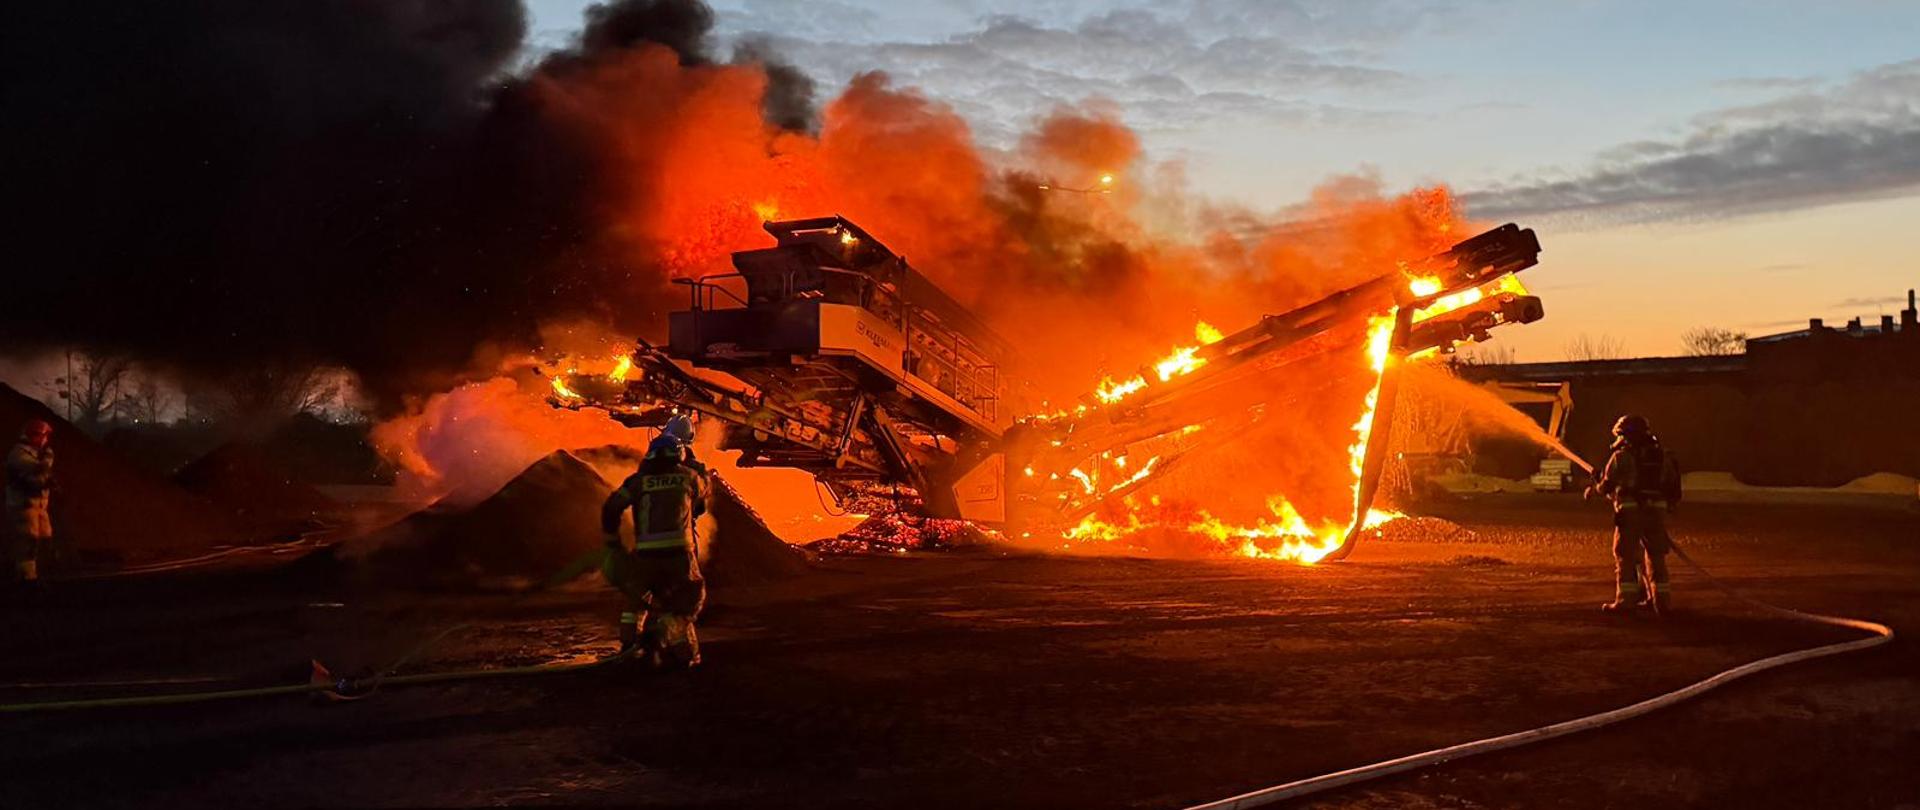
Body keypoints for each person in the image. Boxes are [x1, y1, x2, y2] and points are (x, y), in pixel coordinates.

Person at [600, 426, 708, 668]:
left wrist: (612, 541)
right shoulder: (688, 477)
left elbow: (611, 508)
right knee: (686, 601)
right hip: (680, 557)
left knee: (635, 601)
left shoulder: (638, 482)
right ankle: (683, 654)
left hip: (646, 557)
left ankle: (629, 648)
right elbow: (701, 501)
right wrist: (695, 464)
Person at [1587, 414, 1682, 616]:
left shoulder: (1621, 457)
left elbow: (1606, 487)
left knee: (1625, 555)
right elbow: (1672, 486)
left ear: (1625, 435)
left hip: (1630, 513)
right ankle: (1660, 602)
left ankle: (1625, 601)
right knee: (1656, 557)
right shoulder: (1663, 456)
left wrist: (1595, 485)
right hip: (1656, 513)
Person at [5, 419, 56, 583]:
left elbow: (43, 476)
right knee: (28, 541)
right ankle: (26, 578)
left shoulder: (33, 453)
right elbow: (39, 470)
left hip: (39, 506)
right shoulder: (19, 454)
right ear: (34, 435)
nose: (45, 440)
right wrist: (48, 460)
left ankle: (41, 575)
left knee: (44, 538)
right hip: (24, 506)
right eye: (43, 436)